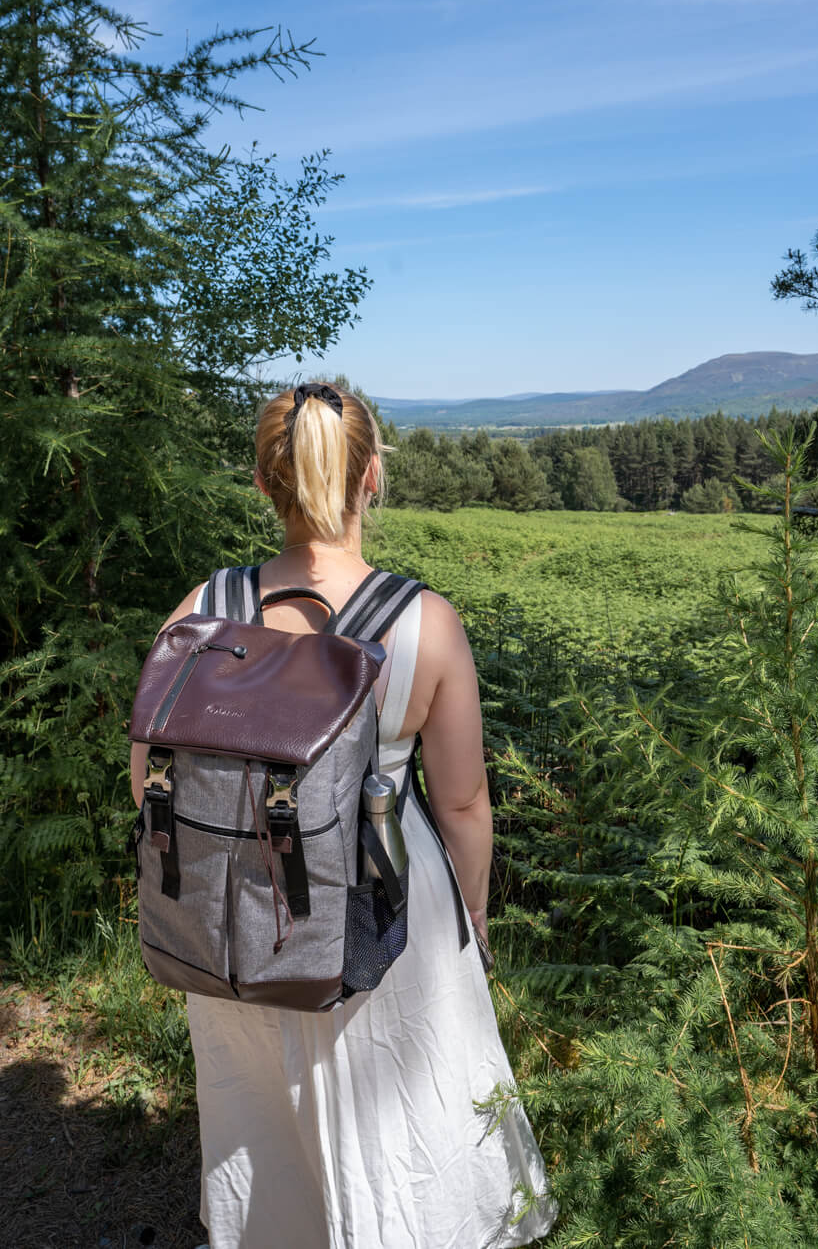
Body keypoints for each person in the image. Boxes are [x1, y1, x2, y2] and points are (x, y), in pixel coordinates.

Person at [130, 382, 557, 1249]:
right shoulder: (422, 623)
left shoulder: (203, 609)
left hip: (228, 919)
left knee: (262, 1111)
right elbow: (465, 802)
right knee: (401, 1124)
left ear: (263, 481)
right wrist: (470, 918)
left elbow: (147, 778)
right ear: (372, 480)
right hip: (382, 910)